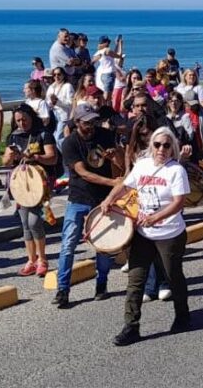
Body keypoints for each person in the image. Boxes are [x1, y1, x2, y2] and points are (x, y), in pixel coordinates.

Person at [103, 126, 191, 346]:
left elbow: (179, 202)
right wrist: (108, 200)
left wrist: (156, 217)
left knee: (173, 276)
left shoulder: (176, 170)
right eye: (158, 144)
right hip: (143, 233)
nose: (162, 149)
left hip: (170, 233)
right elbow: (125, 186)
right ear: (151, 145)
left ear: (173, 148)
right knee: (136, 279)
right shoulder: (142, 165)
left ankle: (182, 315)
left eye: (167, 145)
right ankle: (131, 326)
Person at [55, 104, 119, 308]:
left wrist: (114, 156)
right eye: (87, 123)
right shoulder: (69, 143)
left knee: (103, 244)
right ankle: (62, 289)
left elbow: (120, 167)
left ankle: (102, 284)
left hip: (103, 200)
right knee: (68, 245)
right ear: (77, 123)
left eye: (94, 122)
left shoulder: (106, 135)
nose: (91, 126)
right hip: (79, 198)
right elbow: (82, 172)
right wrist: (112, 183)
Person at [2, 104, 58, 277]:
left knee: (34, 222)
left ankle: (42, 259)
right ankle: (31, 260)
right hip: (20, 183)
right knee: (25, 223)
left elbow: (53, 158)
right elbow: (5, 162)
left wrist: (35, 157)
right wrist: (9, 157)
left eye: (24, 119)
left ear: (31, 117)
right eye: (18, 120)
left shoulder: (43, 134)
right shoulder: (13, 137)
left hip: (39, 183)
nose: (21, 123)